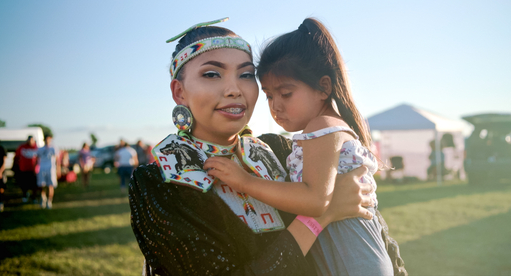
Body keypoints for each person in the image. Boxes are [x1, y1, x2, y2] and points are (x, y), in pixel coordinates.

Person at [129, 18, 406, 276]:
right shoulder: (157, 182)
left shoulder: (281, 149)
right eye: (212, 74)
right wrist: (321, 216)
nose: (234, 89)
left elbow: (376, 237)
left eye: (246, 75)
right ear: (179, 92)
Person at [206, 18, 394, 275]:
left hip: (355, 259)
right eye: (269, 95)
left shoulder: (323, 126)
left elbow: (315, 199)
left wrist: (244, 182)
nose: (275, 106)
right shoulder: (319, 129)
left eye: (286, 93)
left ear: (323, 88)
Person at [36, 135, 60, 209]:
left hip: (51, 169)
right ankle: (43, 198)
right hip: (42, 169)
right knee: (41, 185)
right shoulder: (40, 149)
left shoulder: (53, 148)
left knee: (50, 185)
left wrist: (58, 169)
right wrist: (35, 168)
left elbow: (57, 160)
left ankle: (49, 201)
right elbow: (37, 159)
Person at [15, 135, 39, 203]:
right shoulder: (22, 147)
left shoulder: (36, 148)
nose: (30, 141)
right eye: (29, 140)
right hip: (23, 169)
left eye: (32, 140)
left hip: (33, 169)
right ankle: (25, 195)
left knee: (34, 184)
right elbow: (16, 157)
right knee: (24, 184)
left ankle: (34, 197)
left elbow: (39, 159)